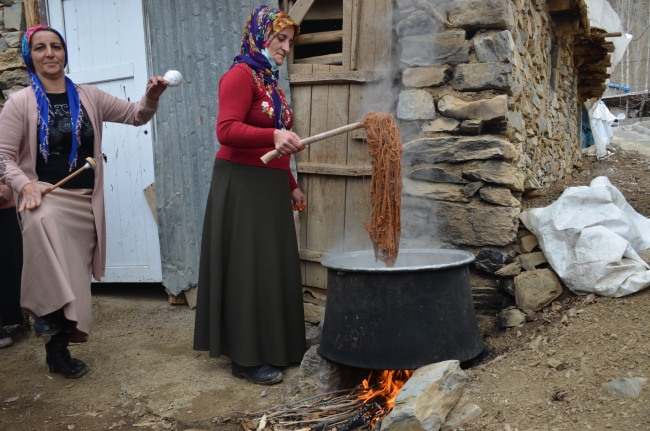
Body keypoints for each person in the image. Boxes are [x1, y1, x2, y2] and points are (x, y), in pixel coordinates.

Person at [0, 25, 168, 378]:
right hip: (44, 196)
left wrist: (151, 95)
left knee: (74, 283)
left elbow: (137, 115)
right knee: (39, 219)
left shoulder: (90, 96)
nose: (50, 53)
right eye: (40, 48)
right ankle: (44, 311)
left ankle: (57, 350)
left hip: (83, 202)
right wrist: (25, 186)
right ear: (29, 56)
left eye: (56, 47)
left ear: (64, 52)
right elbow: (3, 157)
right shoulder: (19, 103)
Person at [193, 5, 307, 385]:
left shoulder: (271, 81)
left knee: (270, 269)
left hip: (269, 187)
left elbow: (279, 146)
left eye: (289, 41)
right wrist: (273, 135)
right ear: (261, 35)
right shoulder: (239, 76)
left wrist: (290, 184)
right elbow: (226, 130)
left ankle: (279, 346)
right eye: (280, 38)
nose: (285, 47)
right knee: (247, 270)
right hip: (241, 185)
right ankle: (244, 357)